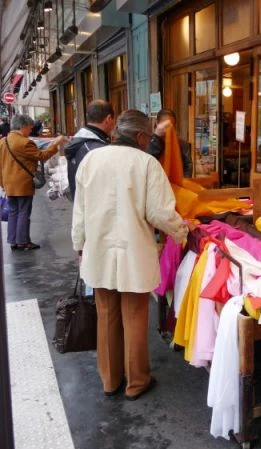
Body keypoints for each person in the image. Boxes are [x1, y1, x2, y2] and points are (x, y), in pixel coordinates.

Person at [71, 109, 188, 400]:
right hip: (134, 252)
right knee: (134, 316)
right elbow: (160, 212)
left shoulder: (91, 160)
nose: (149, 141)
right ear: (139, 136)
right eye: (148, 136)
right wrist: (181, 232)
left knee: (106, 314)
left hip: (98, 250)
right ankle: (136, 382)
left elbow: (80, 208)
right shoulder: (146, 163)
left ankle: (110, 380)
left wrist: (79, 242)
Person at [0, 114, 65, 250]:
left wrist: (2, 184)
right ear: (22, 127)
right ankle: (23, 241)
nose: (30, 131)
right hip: (22, 183)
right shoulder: (25, 142)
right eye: (29, 129)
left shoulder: (3, 141)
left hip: (8, 183)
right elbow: (42, 156)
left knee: (13, 212)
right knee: (23, 211)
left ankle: (13, 241)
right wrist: (55, 144)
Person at [64, 99, 115, 199]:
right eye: (114, 119)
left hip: (82, 206)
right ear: (108, 119)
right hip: (95, 207)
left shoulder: (81, 141)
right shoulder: (96, 149)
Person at [147, 108, 192, 178]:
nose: (167, 129)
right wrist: (157, 137)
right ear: (157, 123)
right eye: (164, 125)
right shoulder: (149, 142)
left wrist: (184, 181)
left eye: (171, 126)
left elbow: (188, 165)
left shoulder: (181, 144)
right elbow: (149, 160)